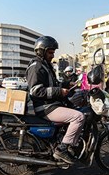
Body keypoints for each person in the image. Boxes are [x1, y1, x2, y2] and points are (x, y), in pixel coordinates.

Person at [26, 36, 85, 164]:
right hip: (45, 107)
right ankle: (62, 149)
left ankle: (69, 145)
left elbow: (53, 85)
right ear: (41, 51)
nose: (52, 55)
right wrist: (59, 91)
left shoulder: (45, 65)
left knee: (76, 109)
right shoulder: (36, 67)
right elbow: (35, 91)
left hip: (51, 104)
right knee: (78, 117)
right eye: (50, 52)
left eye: (53, 52)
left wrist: (66, 85)